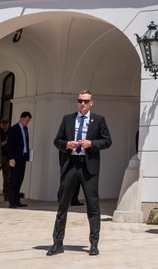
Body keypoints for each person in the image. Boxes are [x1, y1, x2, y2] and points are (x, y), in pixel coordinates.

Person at [47, 91, 112, 257]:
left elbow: (107, 141)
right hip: (70, 165)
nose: (82, 104)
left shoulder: (98, 120)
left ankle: (94, 244)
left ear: (91, 103)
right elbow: (57, 141)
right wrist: (66, 144)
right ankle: (57, 243)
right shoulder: (67, 119)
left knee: (93, 206)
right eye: (80, 100)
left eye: (86, 101)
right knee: (62, 205)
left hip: (88, 166)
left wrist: (92, 143)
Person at [7, 111, 33, 208]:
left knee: (20, 179)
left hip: (23, 157)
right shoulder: (13, 129)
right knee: (13, 180)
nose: (27, 122)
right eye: (26, 120)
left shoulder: (25, 129)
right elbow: (10, 145)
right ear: (21, 119)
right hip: (15, 158)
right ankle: (11, 201)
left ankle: (17, 200)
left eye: (28, 121)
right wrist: (11, 158)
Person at [0, 118, 11, 195]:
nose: (4, 125)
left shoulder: (11, 133)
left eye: (5, 123)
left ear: (8, 124)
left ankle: (6, 195)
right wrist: (5, 142)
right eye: (3, 123)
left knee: (7, 178)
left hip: (7, 158)